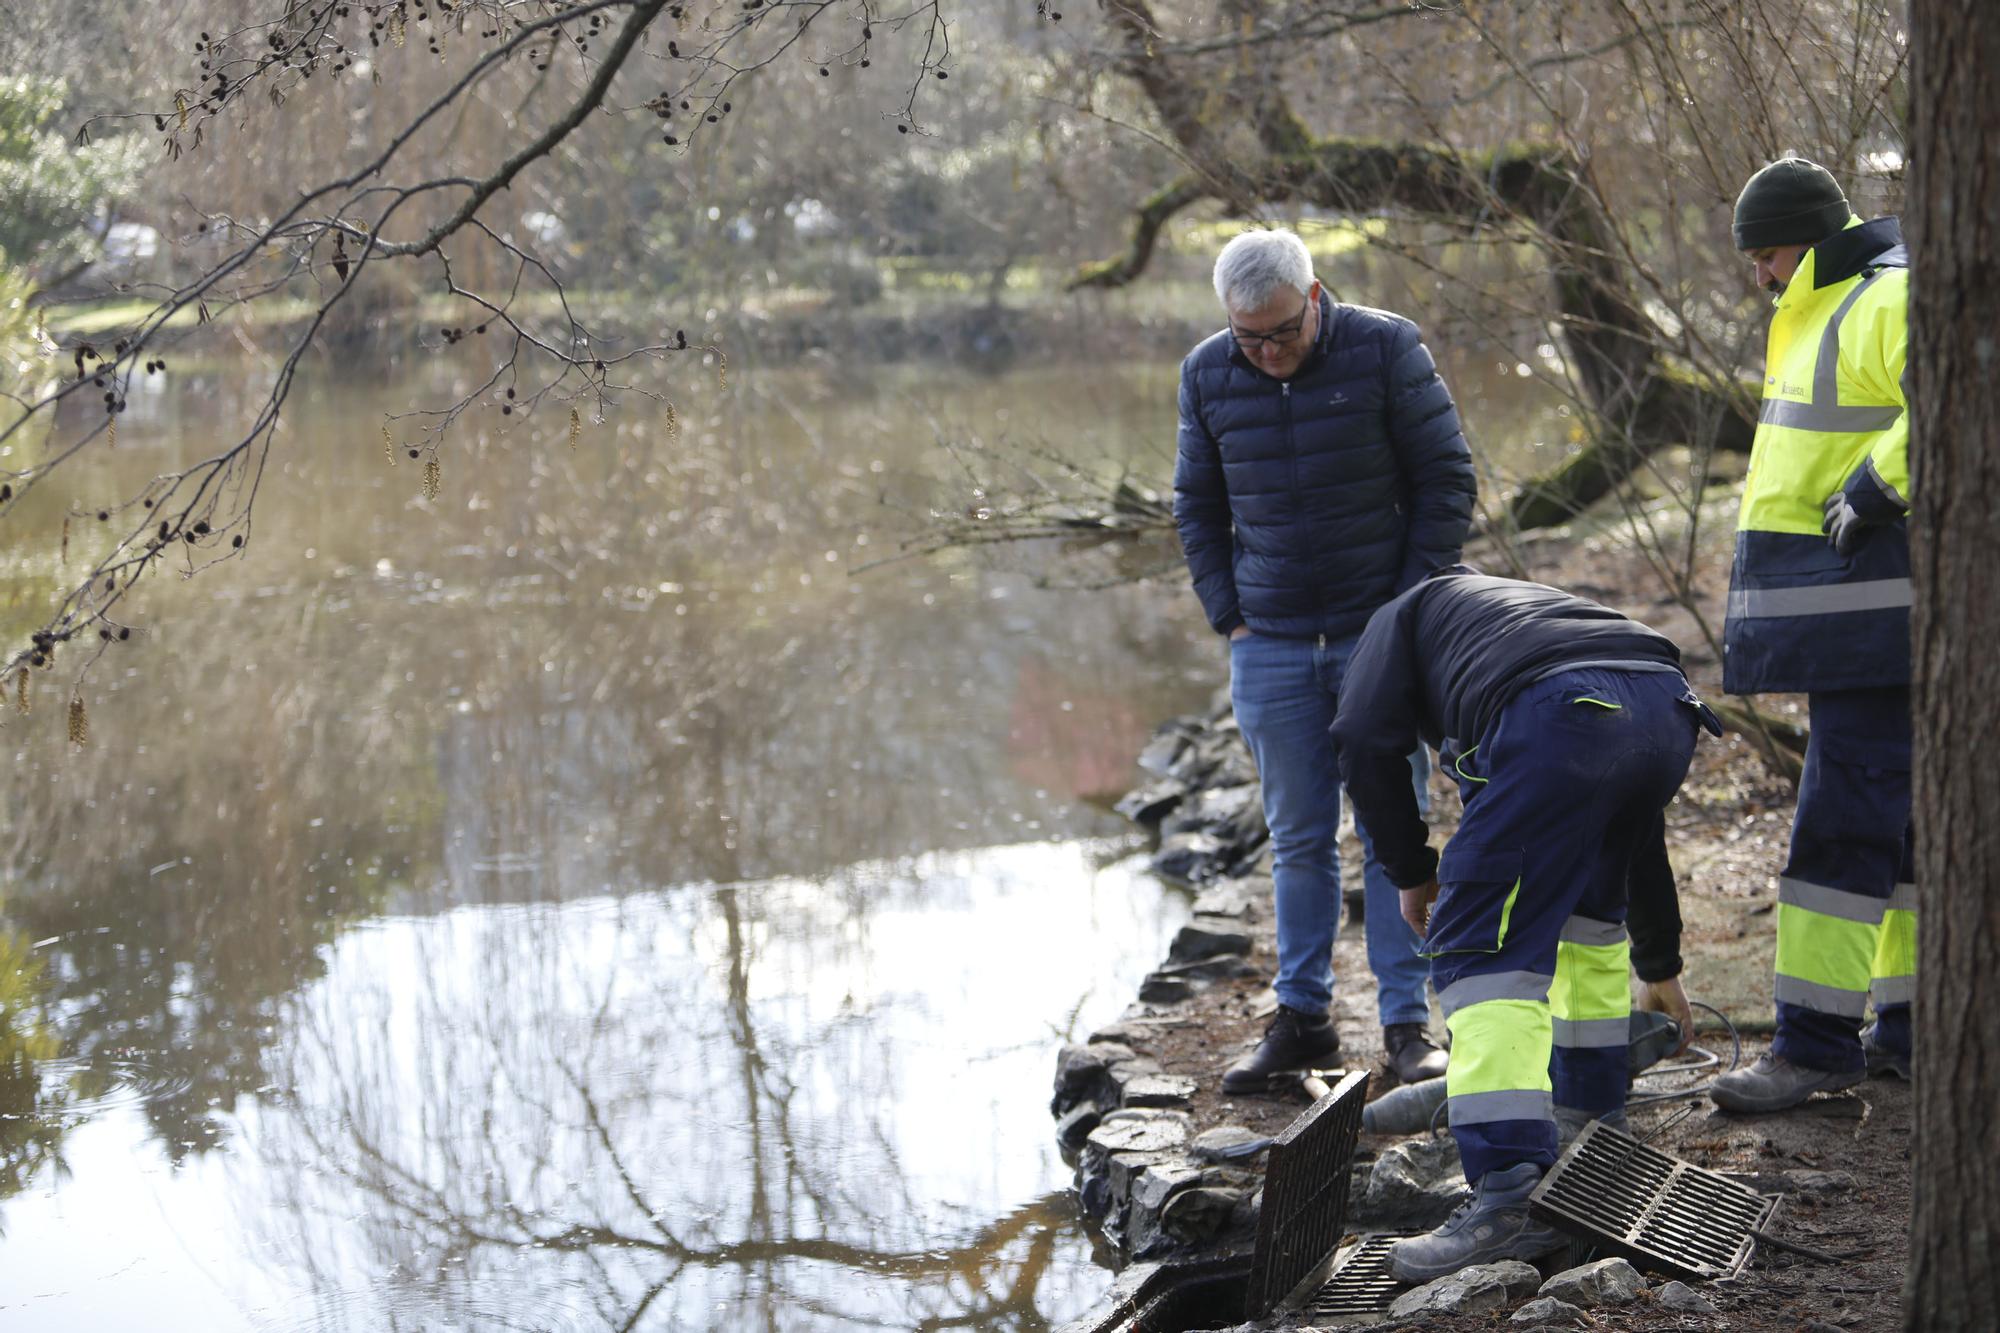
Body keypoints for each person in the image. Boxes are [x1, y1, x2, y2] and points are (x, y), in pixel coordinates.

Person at [1326, 567, 1720, 1282]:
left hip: (1561, 712)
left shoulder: (1393, 621)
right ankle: (1592, 1117)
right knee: (1590, 916)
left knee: (1480, 949)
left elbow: (1359, 738)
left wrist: (1412, 870)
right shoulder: (1508, 612)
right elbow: (1640, 837)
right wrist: (1660, 966)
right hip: (1668, 706)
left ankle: (1508, 1194)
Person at [1174, 229, 1476, 1091]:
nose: (1267, 353)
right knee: (1297, 837)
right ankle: (1303, 1018)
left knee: (1393, 834)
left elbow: (1447, 478)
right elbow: (1195, 501)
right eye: (1249, 338)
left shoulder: (1387, 347)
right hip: (1266, 642)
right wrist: (1228, 613)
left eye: (1281, 333)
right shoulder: (1205, 372)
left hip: (1375, 637)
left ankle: (1407, 1025)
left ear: (1315, 299)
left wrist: (1407, 612)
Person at [1707, 157, 1916, 1114]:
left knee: (1839, 827)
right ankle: (1911, 1028)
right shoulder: (1827, 305)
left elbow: (1957, 399)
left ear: (1815, 239)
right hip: (1864, 621)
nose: (1760, 275)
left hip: (1877, 620)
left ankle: (1815, 1042)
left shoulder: (1884, 297)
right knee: (1903, 831)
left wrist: (1879, 486)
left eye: (1771, 253)